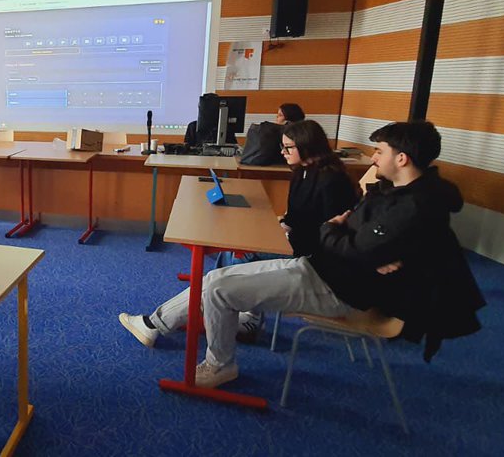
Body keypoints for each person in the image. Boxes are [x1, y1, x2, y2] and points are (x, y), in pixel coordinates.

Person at [134, 121, 484, 389]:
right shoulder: (396, 194)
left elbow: (346, 238)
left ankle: (219, 364)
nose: (373, 158)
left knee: (219, 287)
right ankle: (168, 327)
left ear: (402, 158)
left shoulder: (410, 208)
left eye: (379, 151)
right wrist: (349, 237)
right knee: (214, 279)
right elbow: (356, 239)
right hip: (324, 269)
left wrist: (336, 232)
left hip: (337, 287)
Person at [121, 120, 359, 345]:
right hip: (295, 244)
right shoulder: (303, 171)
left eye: (288, 148)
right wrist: (282, 225)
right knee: (230, 259)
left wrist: (282, 236)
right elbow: (298, 216)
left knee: (236, 258)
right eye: (282, 147)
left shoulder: (332, 182)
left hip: (310, 259)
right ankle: (229, 315)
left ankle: (217, 318)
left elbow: (328, 233)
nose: (283, 153)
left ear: (307, 146)